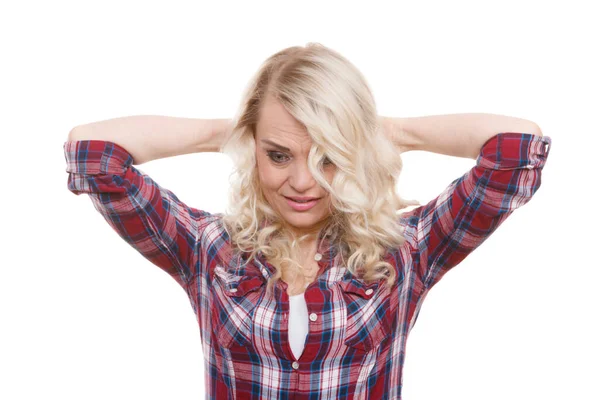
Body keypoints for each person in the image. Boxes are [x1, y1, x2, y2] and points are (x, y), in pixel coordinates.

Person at [63, 42, 552, 399]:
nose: (302, 181)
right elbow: (94, 156)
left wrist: (387, 131)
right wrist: (233, 131)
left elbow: (517, 152)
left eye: (327, 157)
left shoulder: (404, 252)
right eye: (279, 155)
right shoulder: (209, 250)